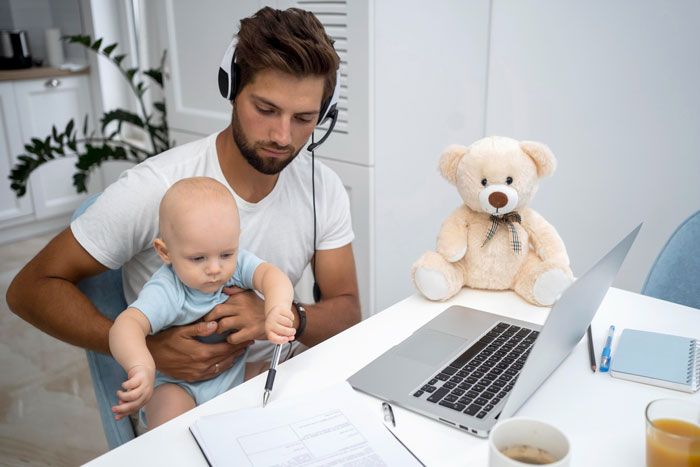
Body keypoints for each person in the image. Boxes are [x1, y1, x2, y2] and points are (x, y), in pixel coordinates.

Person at [6, 5, 361, 427]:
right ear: (230, 86)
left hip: (269, 387)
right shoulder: (156, 188)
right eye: (265, 109)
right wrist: (149, 348)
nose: (283, 136)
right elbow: (28, 290)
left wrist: (285, 316)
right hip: (177, 404)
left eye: (303, 118)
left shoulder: (324, 188)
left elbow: (347, 309)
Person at [109, 177, 295, 429]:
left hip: (234, 377)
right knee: (170, 423)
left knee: (288, 384)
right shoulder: (168, 289)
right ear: (165, 252)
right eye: (198, 258)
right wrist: (141, 365)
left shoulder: (236, 265)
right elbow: (127, 324)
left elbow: (272, 276)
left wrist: (276, 309)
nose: (215, 269)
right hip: (179, 386)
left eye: (226, 254)